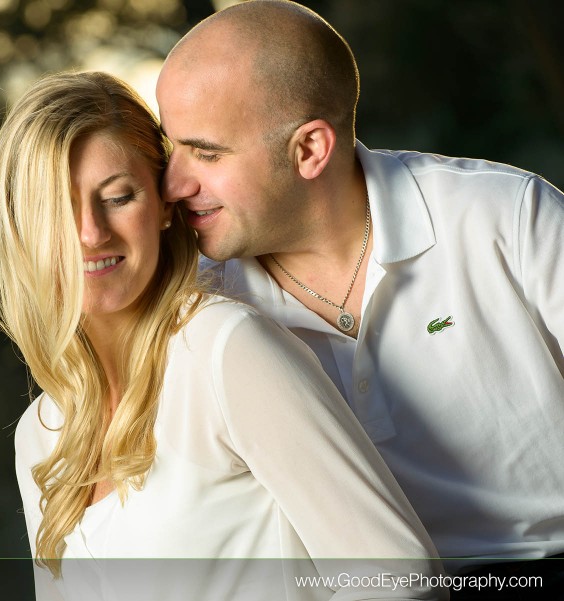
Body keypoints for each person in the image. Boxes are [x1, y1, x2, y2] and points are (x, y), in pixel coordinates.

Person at [0, 70, 445, 600]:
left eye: (118, 197)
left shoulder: (226, 350)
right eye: (57, 207)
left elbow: (399, 577)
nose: (90, 233)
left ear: (161, 206)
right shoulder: (39, 435)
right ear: (21, 227)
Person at [155, 1, 564, 598]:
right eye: (172, 146)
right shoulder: (202, 303)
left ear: (310, 150)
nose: (172, 183)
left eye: (206, 153)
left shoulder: (507, 218)